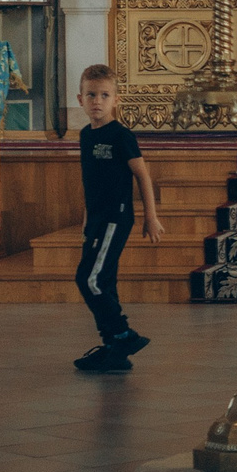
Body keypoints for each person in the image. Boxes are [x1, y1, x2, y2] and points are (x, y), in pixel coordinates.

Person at [71, 65, 164, 372]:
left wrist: (150, 216)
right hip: (97, 220)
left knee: (89, 279)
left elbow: (142, 175)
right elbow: (91, 182)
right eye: (91, 95)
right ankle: (114, 349)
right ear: (80, 99)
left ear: (116, 100)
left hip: (116, 218)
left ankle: (123, 334)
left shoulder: (121, 135)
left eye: (104, 95)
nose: (97, 101)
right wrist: (87, 217)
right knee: (103, 280)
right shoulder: (86, 135)